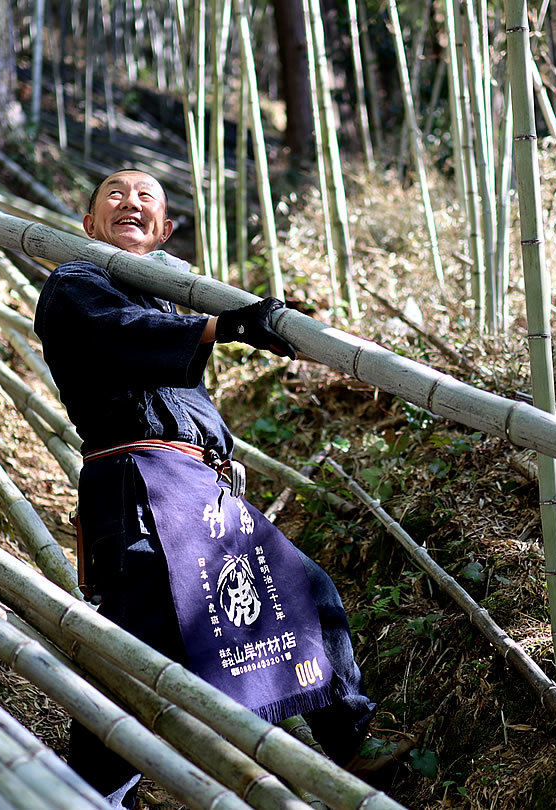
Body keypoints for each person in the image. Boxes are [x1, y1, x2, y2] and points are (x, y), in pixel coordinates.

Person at [34, 170, 374, 808]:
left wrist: (223, 455)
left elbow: (189, 406)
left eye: (147, 201)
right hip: (137, 483)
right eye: (115, 194)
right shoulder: (76, 284)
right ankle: (93, 791)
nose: (130, 203)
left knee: (306, 590)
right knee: (140, 635)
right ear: (88, 224)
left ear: (164, 233)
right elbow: (122, 339)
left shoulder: (164, 302)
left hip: (203, 496)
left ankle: (355, 738)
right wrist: (227, 326)